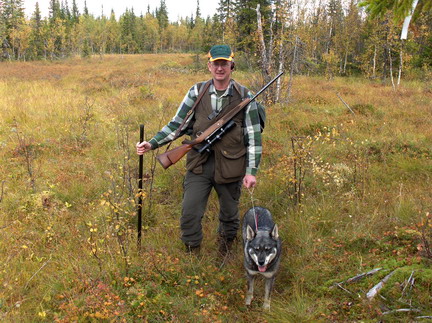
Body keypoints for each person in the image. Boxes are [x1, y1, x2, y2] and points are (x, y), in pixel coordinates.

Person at [136, 45, 262, 256]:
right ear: (209, 66)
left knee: (229, 216)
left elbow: (254, 137)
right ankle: (192, 255)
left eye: (224, 63)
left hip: (231, 166)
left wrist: (251, 171)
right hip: (199, 164)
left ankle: (225, 252)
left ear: (232, 65)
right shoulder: (196, 91)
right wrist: (152, 143)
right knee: (189, 213)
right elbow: (177, 124)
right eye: (216, 63)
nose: (220, 68)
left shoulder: (245, 96)